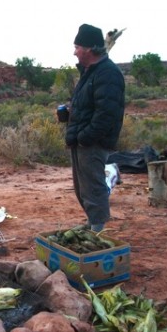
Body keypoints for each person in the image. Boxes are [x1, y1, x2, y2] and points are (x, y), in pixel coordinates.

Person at [65, 24, 125, 232]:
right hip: (82, 139)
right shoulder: (91, 72)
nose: (74, 51)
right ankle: (92, 224)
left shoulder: (107, 73)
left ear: (89, 49)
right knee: (83, 187)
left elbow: (106, 113)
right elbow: (89, 105)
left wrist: (85, 137)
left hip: (92, 141)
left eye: (77, 47)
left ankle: (97, 230)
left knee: (93, 186)